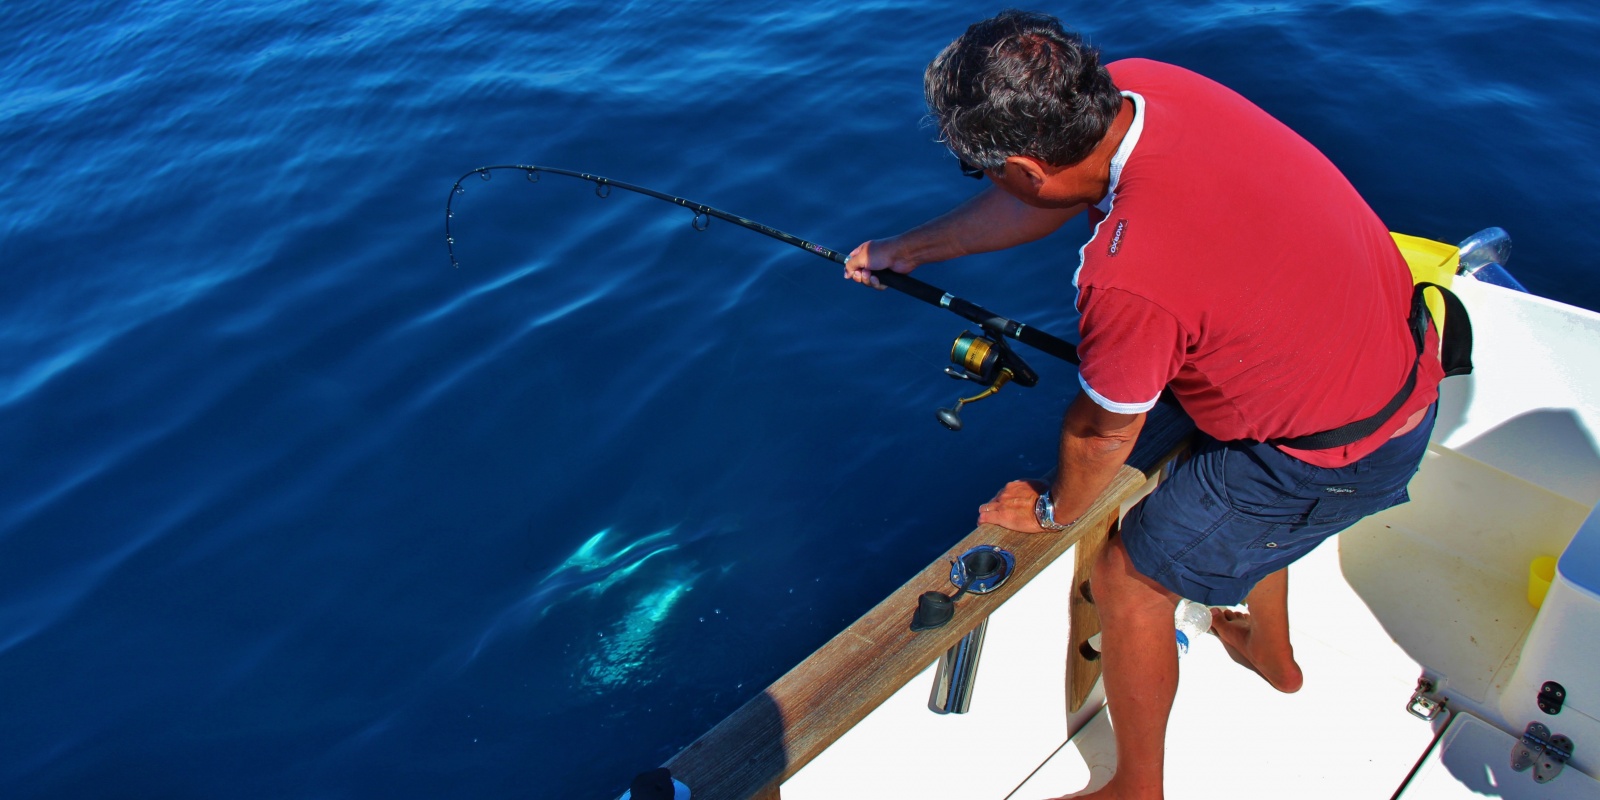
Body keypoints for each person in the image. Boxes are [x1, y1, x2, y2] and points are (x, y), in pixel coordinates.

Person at [844, 10, 1447, 800]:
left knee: (1131, 574)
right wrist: (908, 249)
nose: (990, 180)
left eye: (981, 168)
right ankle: (1274, 657)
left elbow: (1101, 434)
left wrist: (1056, 512)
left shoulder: (1128, 281)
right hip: (1390, 358)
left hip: (1335, 452)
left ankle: (1136, 788)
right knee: (1213, 475)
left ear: (1024, 163)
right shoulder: (1148, 88)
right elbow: (1049, 197)